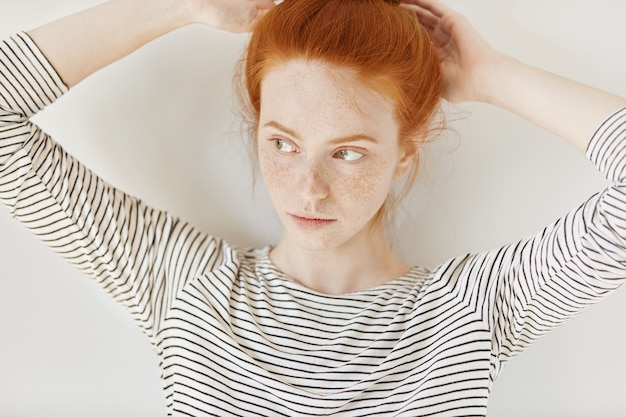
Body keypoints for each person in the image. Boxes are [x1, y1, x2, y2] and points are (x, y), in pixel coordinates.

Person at [1, 0, 625, 415]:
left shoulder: (467, 314)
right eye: (283, 143)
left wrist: (492, 75)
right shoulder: (187, 286)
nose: (308, 187)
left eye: (347, 153)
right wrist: (178, 5)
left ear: (406, 152)